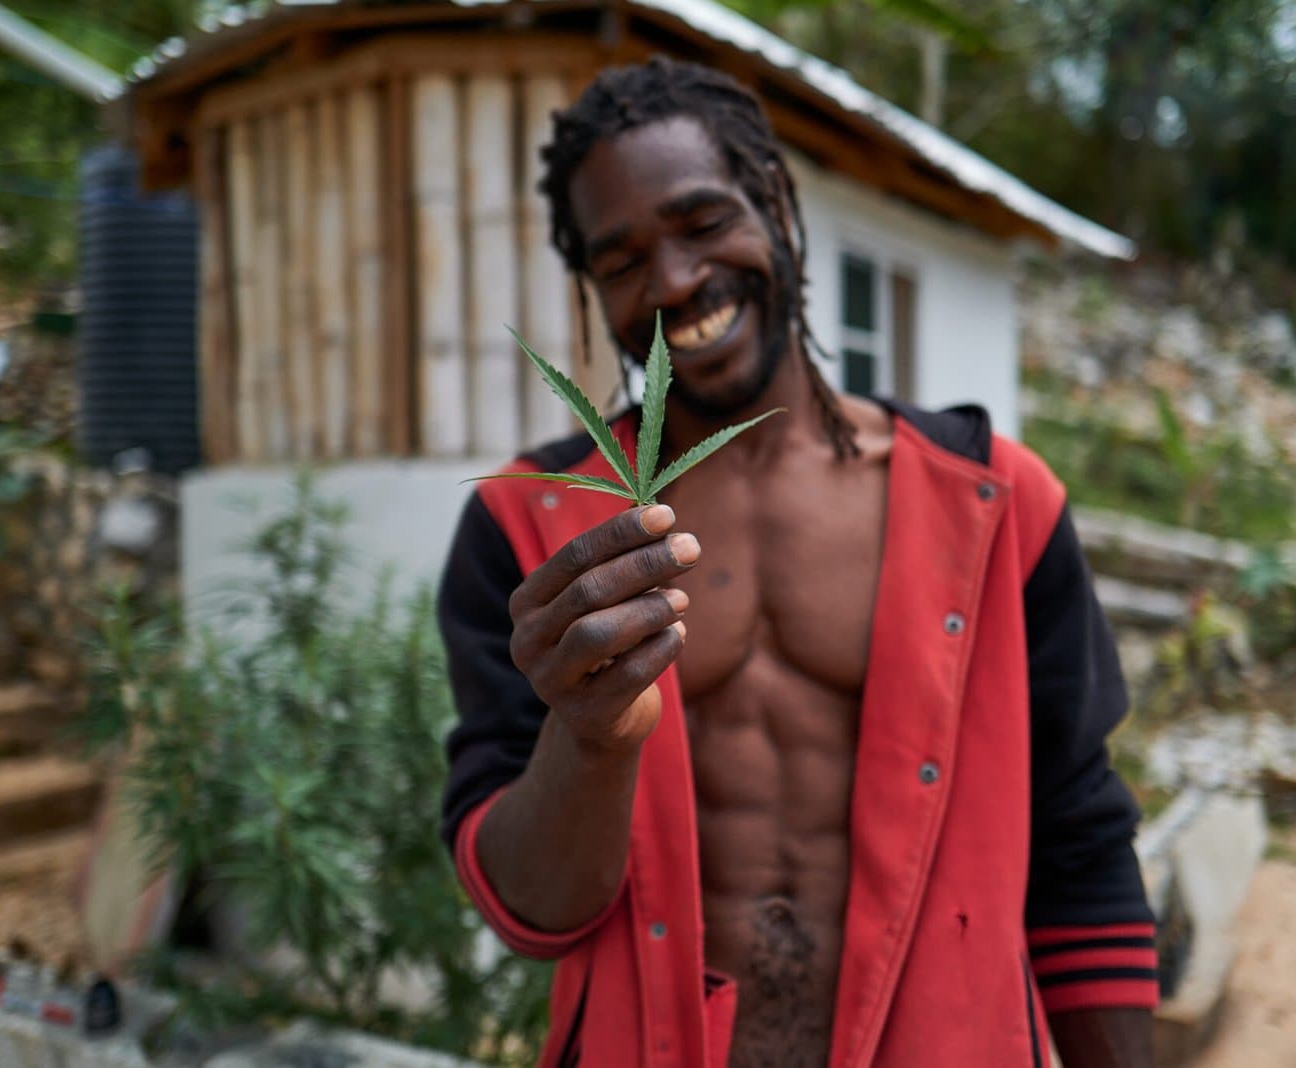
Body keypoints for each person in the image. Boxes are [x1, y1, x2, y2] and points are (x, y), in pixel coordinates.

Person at [436, 57, 1156, 1068]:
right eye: (622, 258)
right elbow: (528, 911)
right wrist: (588, 737)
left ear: (773, 201)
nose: (675, 281)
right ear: (594, 288)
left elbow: (1078, 839)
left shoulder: (996, 504)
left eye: (700, 220)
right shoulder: (538, 537)